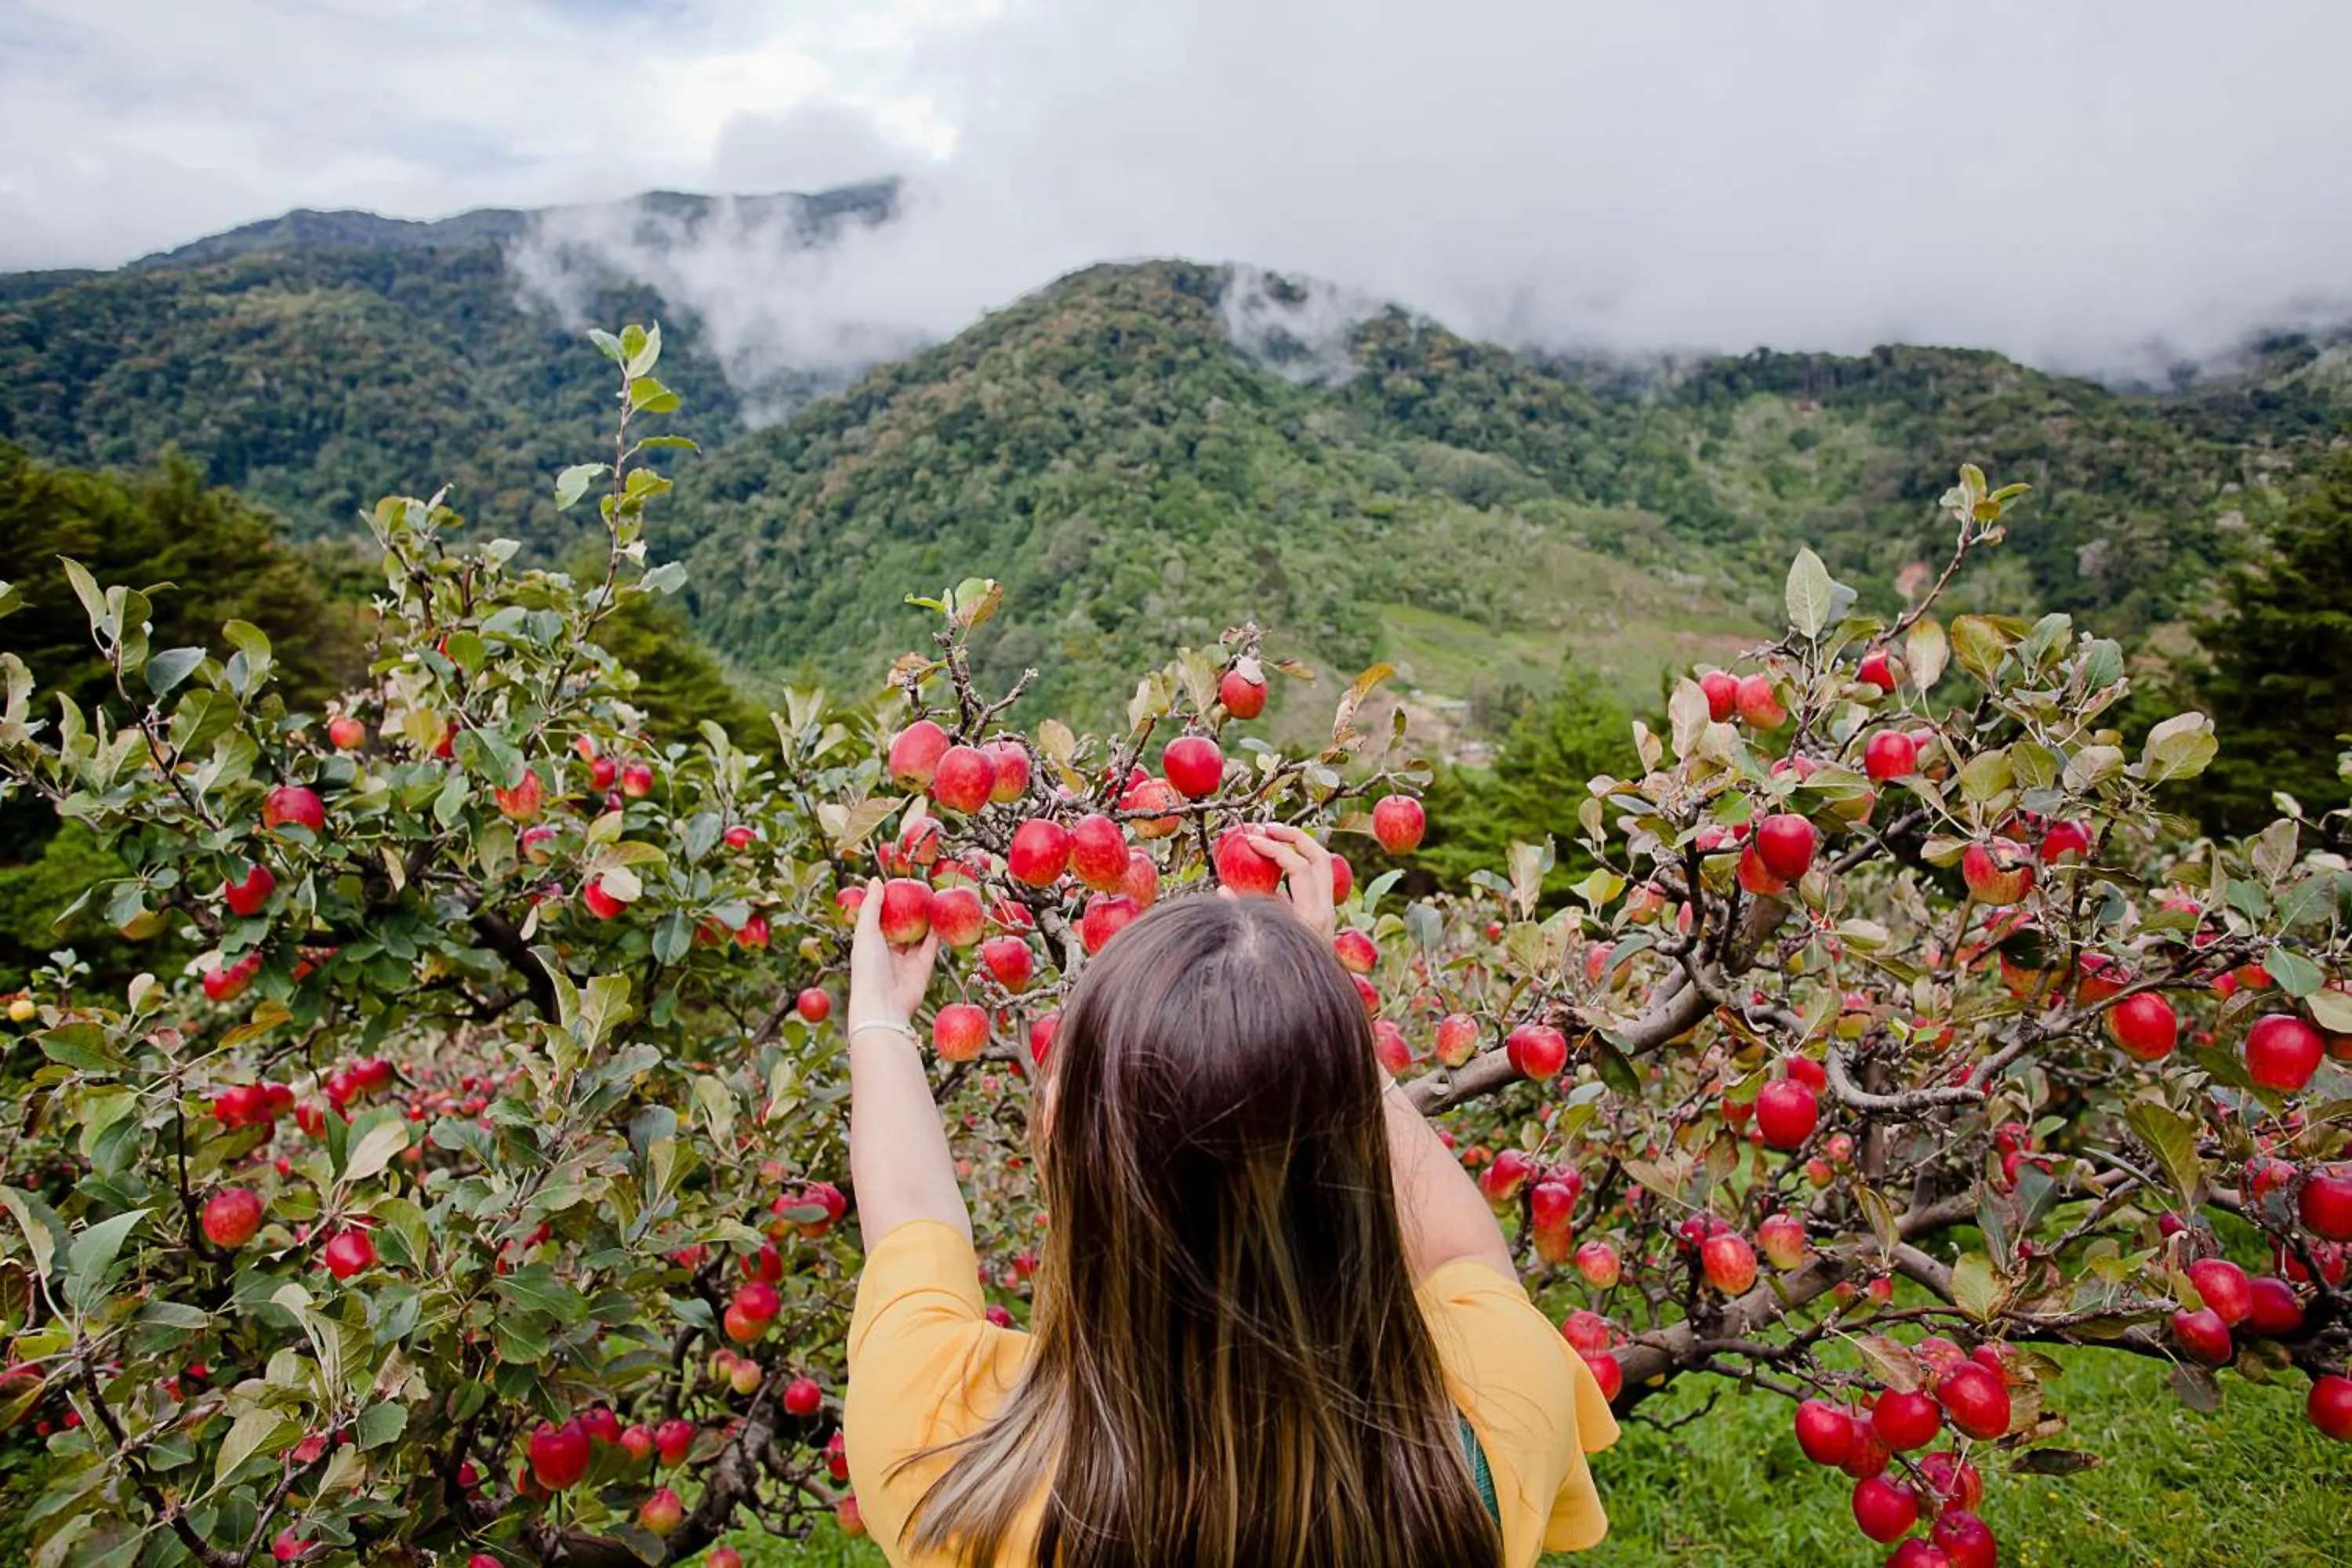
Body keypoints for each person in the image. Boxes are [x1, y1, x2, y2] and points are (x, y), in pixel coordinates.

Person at [840, 822, 1616, 1567]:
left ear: (1060, 1143)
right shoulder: (1484, 1443)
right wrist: (1304, 1009)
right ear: (1353, 1153)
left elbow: (912, 1220)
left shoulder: (945, 1462)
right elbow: (1463, 1253)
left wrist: (879, 1016)